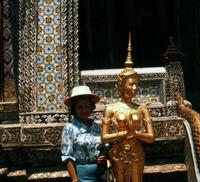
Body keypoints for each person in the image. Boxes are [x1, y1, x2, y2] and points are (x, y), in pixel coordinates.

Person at [101, 33, 155, 182]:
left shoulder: (142, 109)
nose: (135, 87)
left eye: (137, 84)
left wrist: (136, 134)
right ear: (121, 85)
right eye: (131, 83)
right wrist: (124, 133)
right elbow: (104, 138)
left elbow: (151, 138)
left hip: (137, 151)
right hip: (118, 151)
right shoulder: (111, 108)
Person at [61, 85, 106, 182]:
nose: (84, 110)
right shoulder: (70, 128)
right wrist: (74, 180)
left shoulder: (97, 127)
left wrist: (104, 157)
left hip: (101, 174)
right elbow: (67, 157)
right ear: (74, 109)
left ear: (91, 108)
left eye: (86, 107)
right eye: (80, 107)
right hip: (81, 176)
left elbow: (105, 147)